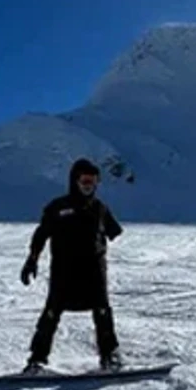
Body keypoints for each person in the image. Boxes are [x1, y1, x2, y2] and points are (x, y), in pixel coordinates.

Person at [20, 158, 123, 373]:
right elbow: (41, 235)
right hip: (64, 271)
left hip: (94, 271)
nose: (88, 185)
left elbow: (114, 232)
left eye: (93, 181)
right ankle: (36, 360)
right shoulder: (58, 207)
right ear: (74, 181)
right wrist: (32, 259)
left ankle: (109, 356)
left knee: (102, 311)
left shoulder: (100, 208)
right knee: (52, 312)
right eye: (85, 180)